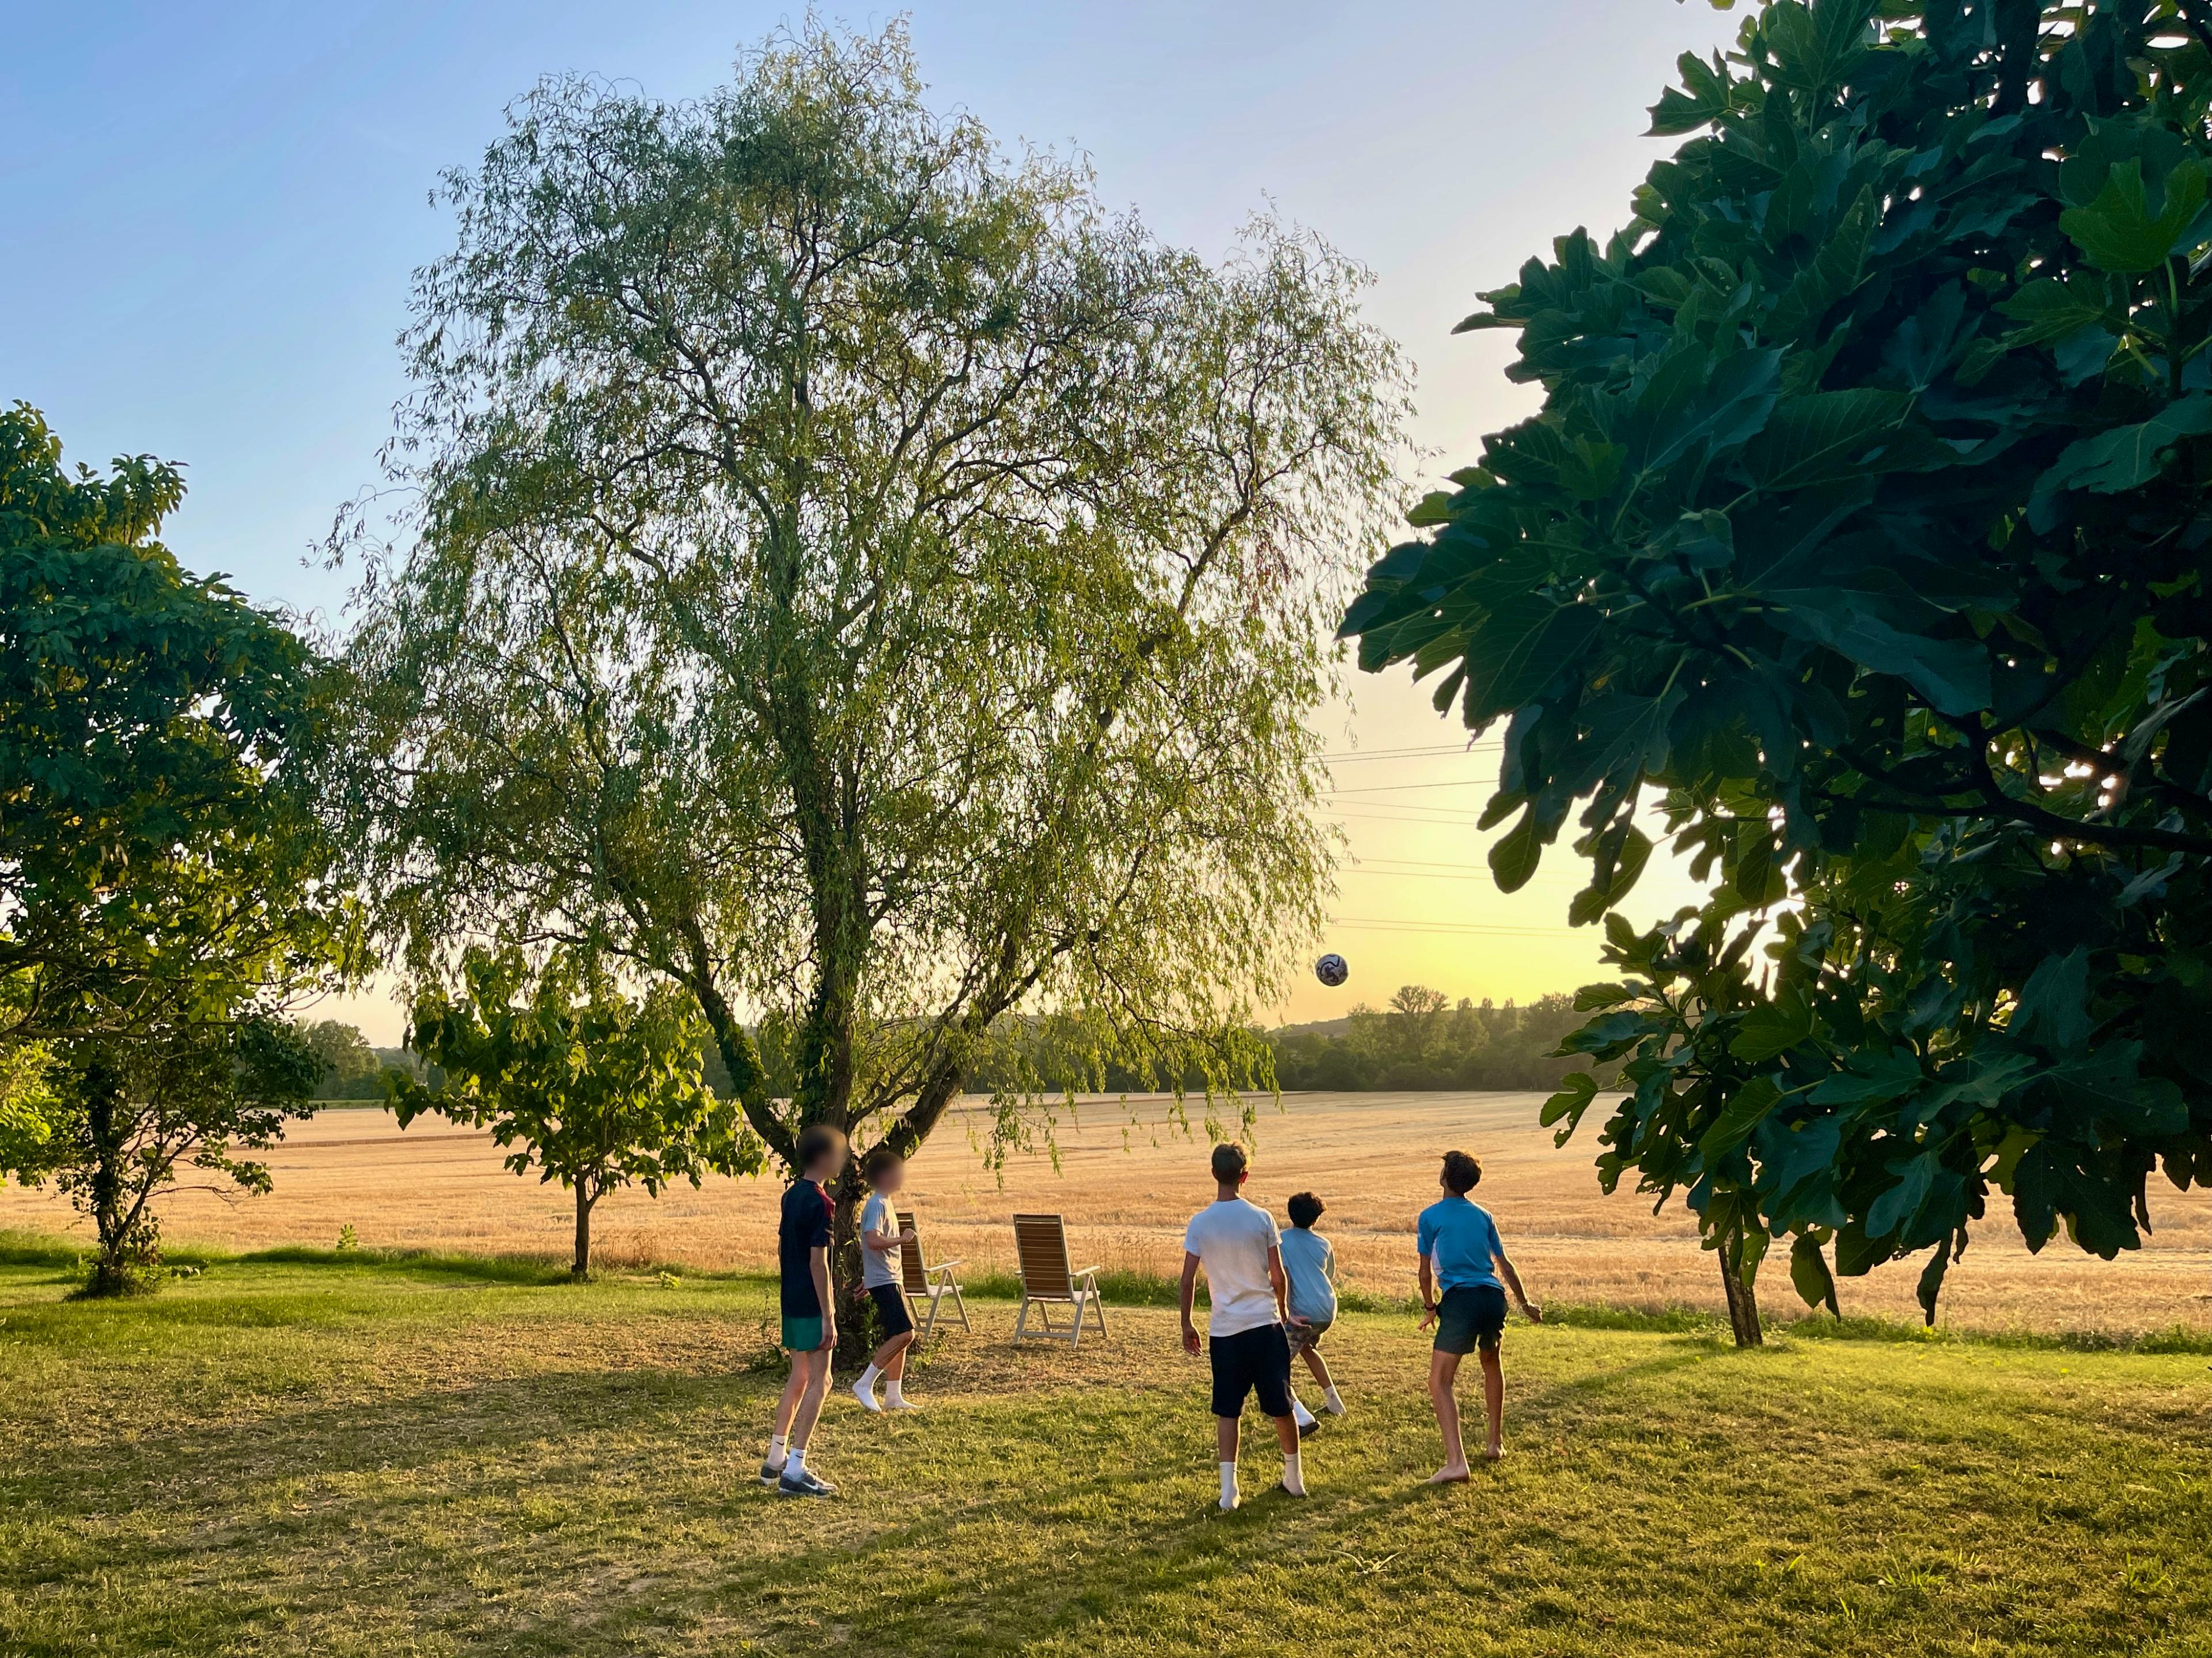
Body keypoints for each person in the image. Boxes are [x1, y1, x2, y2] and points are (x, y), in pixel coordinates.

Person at [1179, 1143, 1309, 1511]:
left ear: (1213, 1174)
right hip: (1264, 1326)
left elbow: (1187, 1280)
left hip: (1225, 1331)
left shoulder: (1200, 1223)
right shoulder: (1262, 1218)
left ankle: (1228, 1491)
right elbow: (1278, 1274)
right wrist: (1282, 1310)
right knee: (1281, 1404)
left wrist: (1187, 1322)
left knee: (1228, 1409)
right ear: (1245, 1176)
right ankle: (1294, 1478)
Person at [1416, 1148, 1540, 1481]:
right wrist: (1525, 1303)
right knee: (1491, 1363)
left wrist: (1430, 1308)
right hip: (1493, 1298)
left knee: (1439, 1381)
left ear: (1444, 1178)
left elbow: (1425, 1273)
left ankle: (1457, 1463)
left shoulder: (1430, 1217)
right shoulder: (1484, 1216)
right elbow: (1504, 1264)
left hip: (1461, 1301)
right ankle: (1495, 1442)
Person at [760, 1124, 846, 1498]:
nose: (843, 1159)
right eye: (840, 1153)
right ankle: (796, 1468)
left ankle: (774, 1460)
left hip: (791, 1300)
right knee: (821, 1381)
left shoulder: (791, 1195)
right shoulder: (823, 1202)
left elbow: (784, 1250)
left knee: (799, 1375)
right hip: (812, 1304)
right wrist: (829, 1315)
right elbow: (819, 1264)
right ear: (824, 1158)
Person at [853, 1144, 920, 1413]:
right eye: (897, 1173)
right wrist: (901, 1239)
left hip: (887, 1278)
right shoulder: (877, 1204)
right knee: (905, 1333)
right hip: (886, 1280)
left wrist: (869, 1280)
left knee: (899, 1334)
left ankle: (893, 1396)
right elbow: (871, 1241)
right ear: (883, 1177)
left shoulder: (884, 1202)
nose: (902, 1177)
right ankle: (865, 1383)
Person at [1278, 1190, 1344, 1426]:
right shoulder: (1324, 1243)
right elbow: (1329, 1275)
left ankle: (1299, 1415)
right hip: (1326, 1309)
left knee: (1274, 1364)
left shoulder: (1281, 1240)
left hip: (1302, 1312)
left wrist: (1285, 1311)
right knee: (1307, 1348)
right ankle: (1334, 1402)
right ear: (1316, 1219)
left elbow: (1283, 1279)